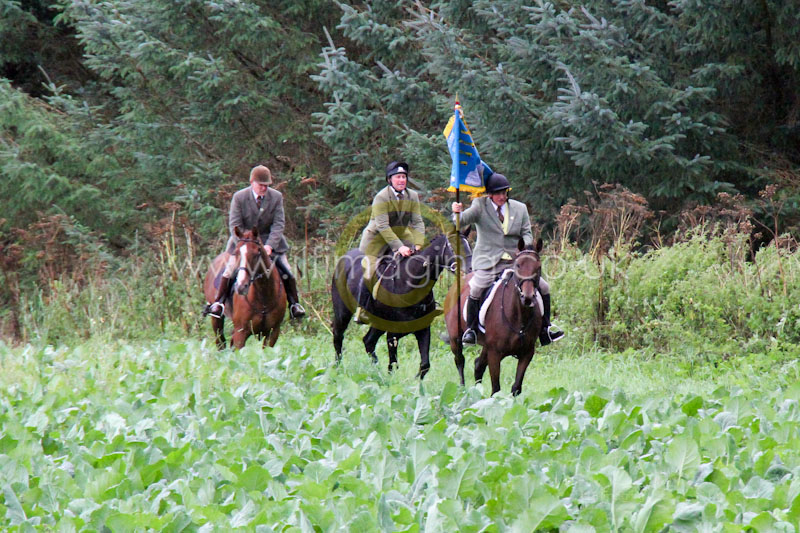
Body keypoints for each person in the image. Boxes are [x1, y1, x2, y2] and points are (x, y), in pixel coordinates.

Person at [452, 173, 564, 345]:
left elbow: (527, 232)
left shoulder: (520, 208)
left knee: (544, 286)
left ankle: (545, 329)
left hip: (516, 261)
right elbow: (461, 221)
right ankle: (472, 330)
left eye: (505, 193)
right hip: (488, 261)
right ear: (489, 194)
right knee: (475, 288)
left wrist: (524, 250)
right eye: (498, 193)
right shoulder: (479, 205)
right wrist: (457, 213)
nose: (502, 196)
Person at [206, 165, 306, 319]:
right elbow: (234, 225)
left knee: (287, 272)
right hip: (243, 243)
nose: (264, 188)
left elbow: (279, 224)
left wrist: (269, 245)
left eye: (267, 185)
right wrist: (244, 244)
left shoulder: (276, 197)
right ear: (252, 182)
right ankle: (219, 303)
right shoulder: (239, 197)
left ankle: (294, 304)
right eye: (261, 185)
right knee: (228, 271)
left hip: (269, 243)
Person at [353, 160, 425, 323]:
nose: (401, 180)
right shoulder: (381, 197)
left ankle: (422, 304)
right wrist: (399, 248)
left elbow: (418, 221)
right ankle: (362, 309)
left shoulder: (412, 195)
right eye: (398, 177)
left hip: (401, 234)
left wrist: (418, 243)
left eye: (404, 177)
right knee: (370, 271)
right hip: (376, 239)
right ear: (390, 180)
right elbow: (383, 226)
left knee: (420, 263)